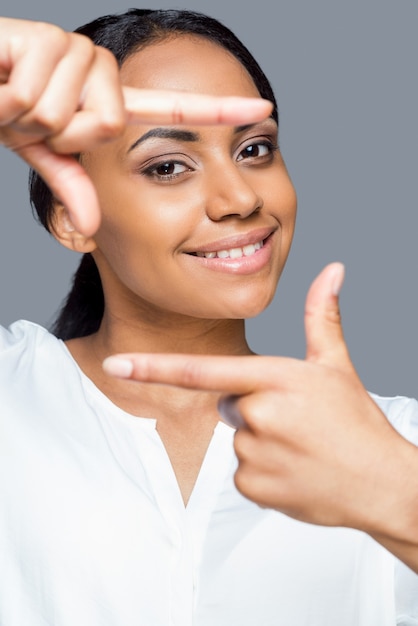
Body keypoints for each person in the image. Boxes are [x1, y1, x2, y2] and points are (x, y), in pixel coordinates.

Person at [0, 8, 417, 625]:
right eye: (168, 166)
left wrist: (396, 496)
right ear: (69, 215)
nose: (242, 198)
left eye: (255, 149)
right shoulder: (12, 396)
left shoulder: (396, 441)